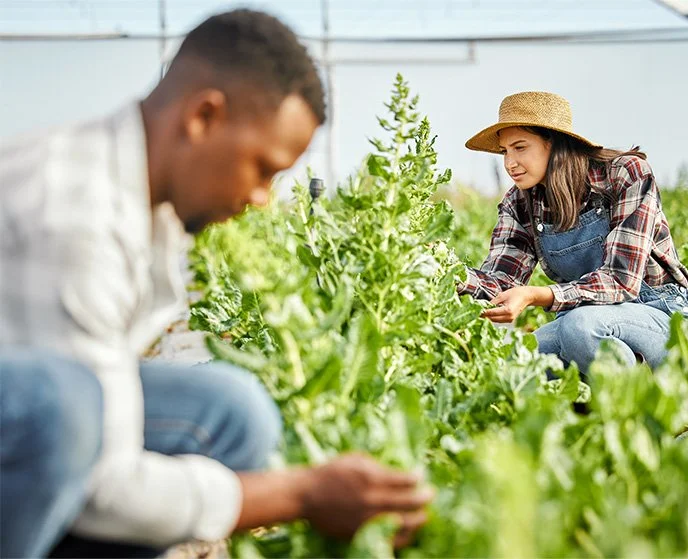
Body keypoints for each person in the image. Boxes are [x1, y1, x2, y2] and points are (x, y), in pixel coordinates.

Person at [0, 10, 432, 559]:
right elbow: (101, 483)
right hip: (39, 416)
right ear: (204, 116)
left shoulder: (147, 202)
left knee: (230, 412)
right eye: (263, 169)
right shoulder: (72, 213)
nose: (262, 199)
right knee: (63, 411)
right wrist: (300, 492)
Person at [458, 91, 688, 375]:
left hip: (657, 316)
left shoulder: (625, 174)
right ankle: (608, 386)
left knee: (579, 326)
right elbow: (502, 282)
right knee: (512, 365)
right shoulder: (519, 203)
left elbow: (622, 280)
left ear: (554, 144)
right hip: (582, 321)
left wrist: (538, 294)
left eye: (520, 148)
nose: (509, 163)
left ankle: (632, 402)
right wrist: (448, 274)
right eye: (505, 151)